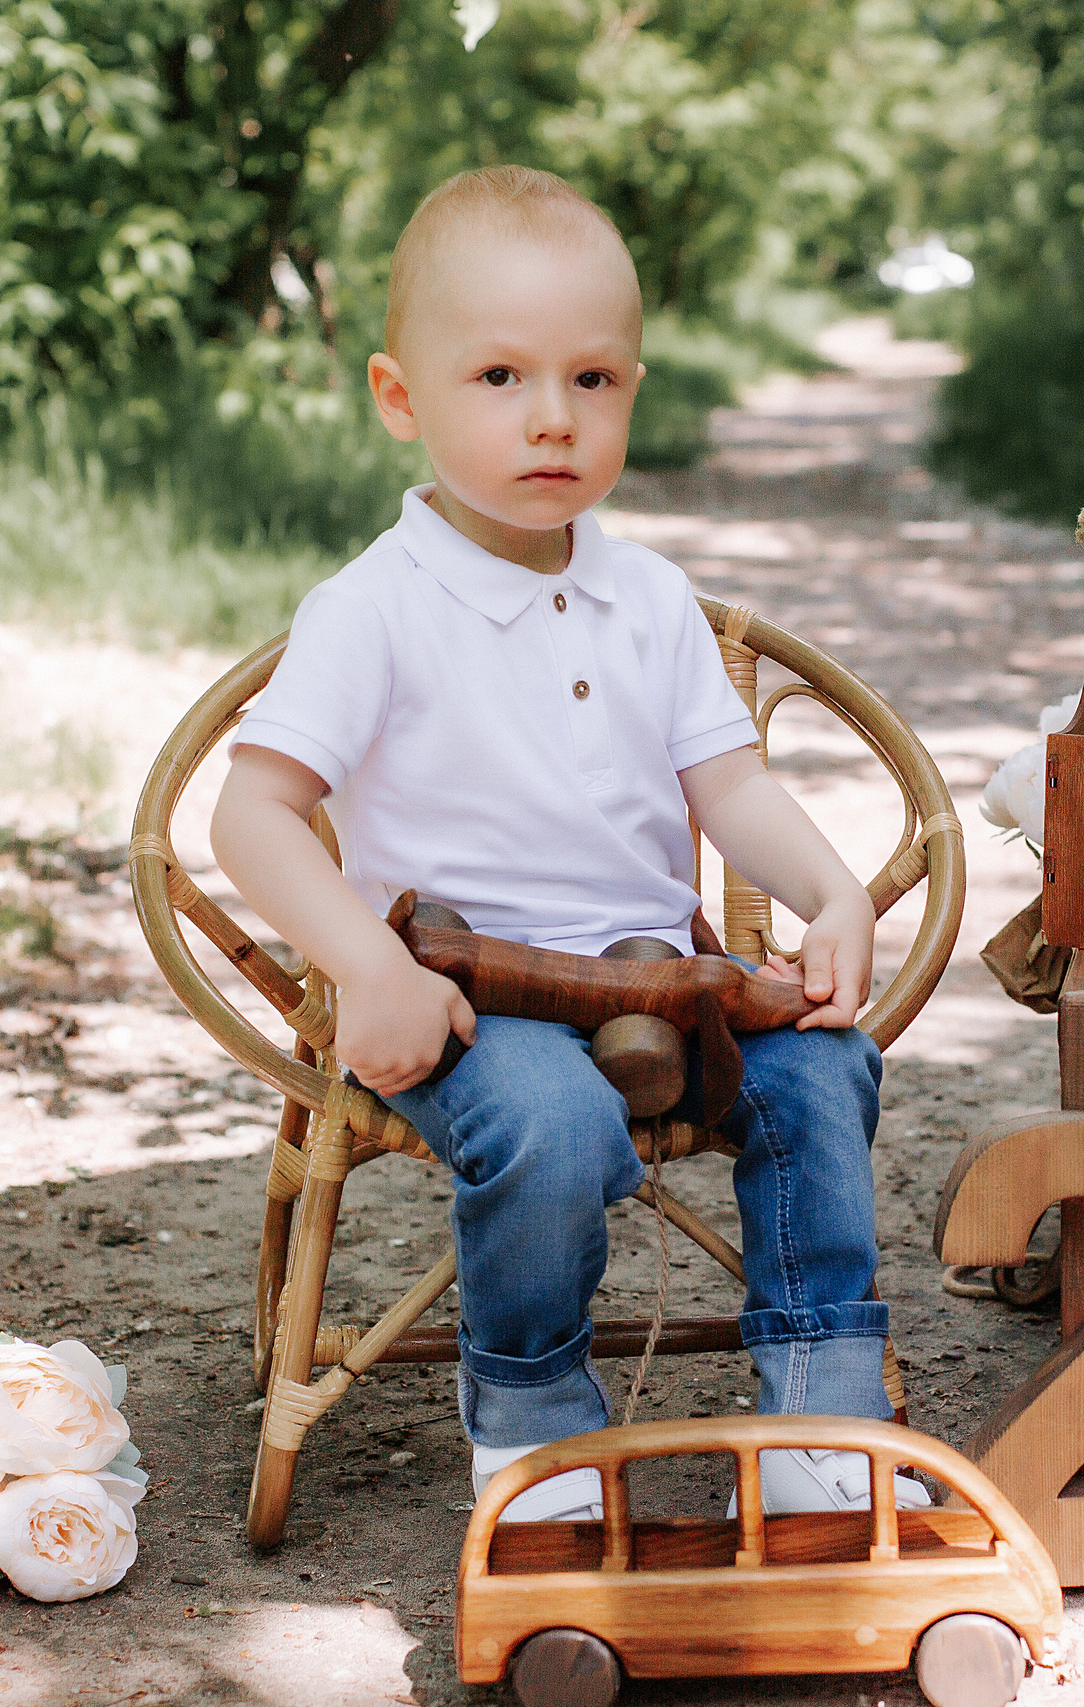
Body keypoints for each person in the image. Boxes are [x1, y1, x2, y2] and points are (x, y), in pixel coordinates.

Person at [210, 166, 923, 1523]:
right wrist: (367, 970)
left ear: (632, 392)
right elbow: (250, 813)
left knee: (824, 1075)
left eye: (592, 381)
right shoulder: (373, 609)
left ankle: (821, 1416)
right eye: (497, 378)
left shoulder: (649, 598)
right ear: (399, 398)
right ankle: (535, 1436)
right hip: (468, 996)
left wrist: (831, 889)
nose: (552, 418)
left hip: (660, 974)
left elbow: (733, 791)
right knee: (548, 1123)